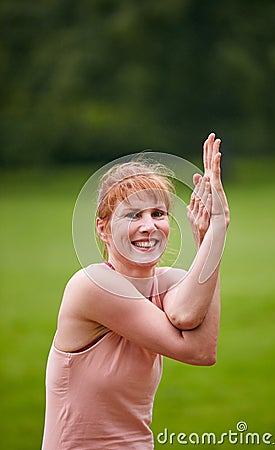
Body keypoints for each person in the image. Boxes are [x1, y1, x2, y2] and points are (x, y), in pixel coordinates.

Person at [41, 132, 230, 450]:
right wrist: (220, 226)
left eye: (158, 214)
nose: (149, 226)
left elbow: (190, 321)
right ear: (103, 229)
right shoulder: (93, 285)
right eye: (133, 215)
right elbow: (196, 352)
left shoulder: (169, 281)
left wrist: (209, 237)